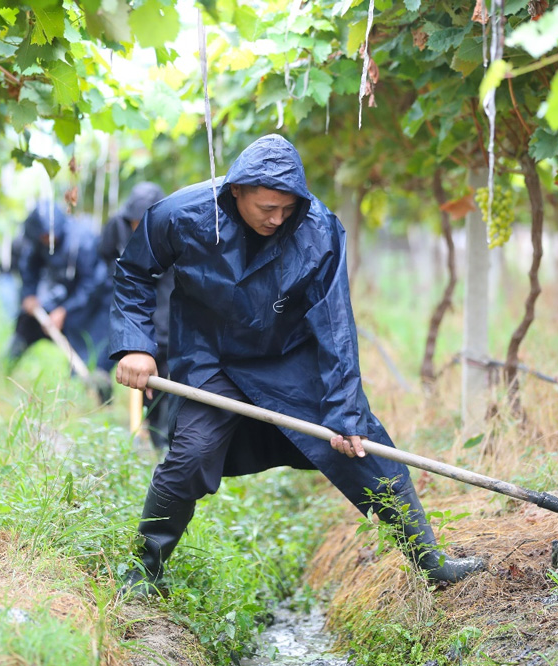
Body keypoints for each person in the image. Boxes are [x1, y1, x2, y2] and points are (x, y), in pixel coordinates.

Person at [110, 135, 484, 595]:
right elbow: (134, 272)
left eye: (287, 209)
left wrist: (344, 411)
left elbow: (335, 322)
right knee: (191, 456)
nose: (277, 219)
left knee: (361, 448)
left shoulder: (317, 229)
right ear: (236, 190)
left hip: (290, 356)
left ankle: (431, 563)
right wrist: (136, 345)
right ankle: (144, 573)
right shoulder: (180, 214)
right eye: (267, 207)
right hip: (212, 358)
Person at [6, 200, 114, 399]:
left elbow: (92, 283)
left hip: (90, 303)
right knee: (26, 325)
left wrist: (66, 310)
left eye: (51, 236)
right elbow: (29, 267)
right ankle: (4, 370)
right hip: (61, 295)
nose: (48, 240)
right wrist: (29, 294)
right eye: (43, 238)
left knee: (89, 354)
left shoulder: (83, 241)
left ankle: (94, 399)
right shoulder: (36, 239)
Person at [98, 182, 173, 450]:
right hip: (131, 290)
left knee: (159, 357)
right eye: (134, 222)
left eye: (144, 222)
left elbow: (167, 297)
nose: (138, 227)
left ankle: (160, 436)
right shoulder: (116, 226)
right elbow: (105, 253)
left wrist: (155, 344)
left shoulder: (172, 230)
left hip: (164, 292)